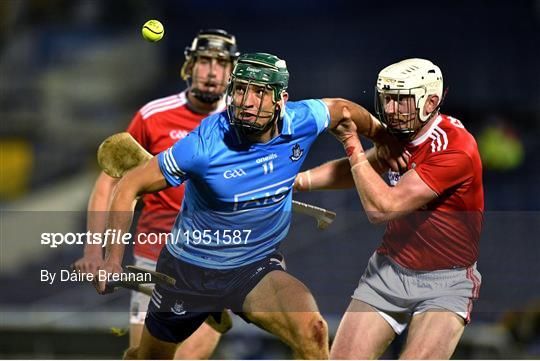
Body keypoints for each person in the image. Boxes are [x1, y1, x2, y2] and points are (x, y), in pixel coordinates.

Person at [94, 52, 402, 359]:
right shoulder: (203, 145)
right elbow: (129, 185)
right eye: (240, 89)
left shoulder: (302, 119)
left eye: (259, 92)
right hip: (189, 272)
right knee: (151, 358)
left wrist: (381, 136)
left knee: (313, 331)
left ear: (281, 99)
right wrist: (112, 259)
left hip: (253, 267)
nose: (247, 101)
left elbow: (343, 109)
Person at [294, 58, 484, 359]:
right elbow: (355, 171)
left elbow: (382, 208)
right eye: (387, 100)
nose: (391, 110)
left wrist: (352, 142)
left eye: (401, 101)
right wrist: (297, 181)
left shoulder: (454, 148)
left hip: (445, 281)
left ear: (430, 101)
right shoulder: (401, 134)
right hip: (389, 270)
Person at [73, 29, 239, 359]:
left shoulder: (240, 123)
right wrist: (95, 250)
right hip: (154, 258)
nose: (211, 71)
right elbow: (109, 184)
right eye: (204, 61)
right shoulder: (153, 115)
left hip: (215, 264)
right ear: (189, 66)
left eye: (221, 63)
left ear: (232, 72)